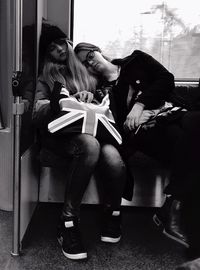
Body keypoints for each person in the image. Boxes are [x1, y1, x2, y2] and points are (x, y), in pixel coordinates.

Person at [74, 42, 200, 249]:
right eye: (84, 65)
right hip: (147, 130)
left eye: (90, 56)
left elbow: (166, 79)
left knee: (195, 126)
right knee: (186, 141)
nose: (91, 64)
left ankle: (170, 207)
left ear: (98, 51)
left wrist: (140, 104)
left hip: (175, 111)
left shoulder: (137, 59)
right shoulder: (102, 92)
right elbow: (115, 125)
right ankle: (173, 208)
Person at [32, 29, 127, 261]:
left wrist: (91, 98)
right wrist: (64, 101)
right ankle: (68, 221)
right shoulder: (46, 77)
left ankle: (111, 212)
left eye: (60, 44)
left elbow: (108, 100)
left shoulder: (88, 71)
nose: (60, 51)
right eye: (52, 49)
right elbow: (37, 112)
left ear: (68, 42)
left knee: (114, 159)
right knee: (90, 145)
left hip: (95, 129)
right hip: (61, 135)